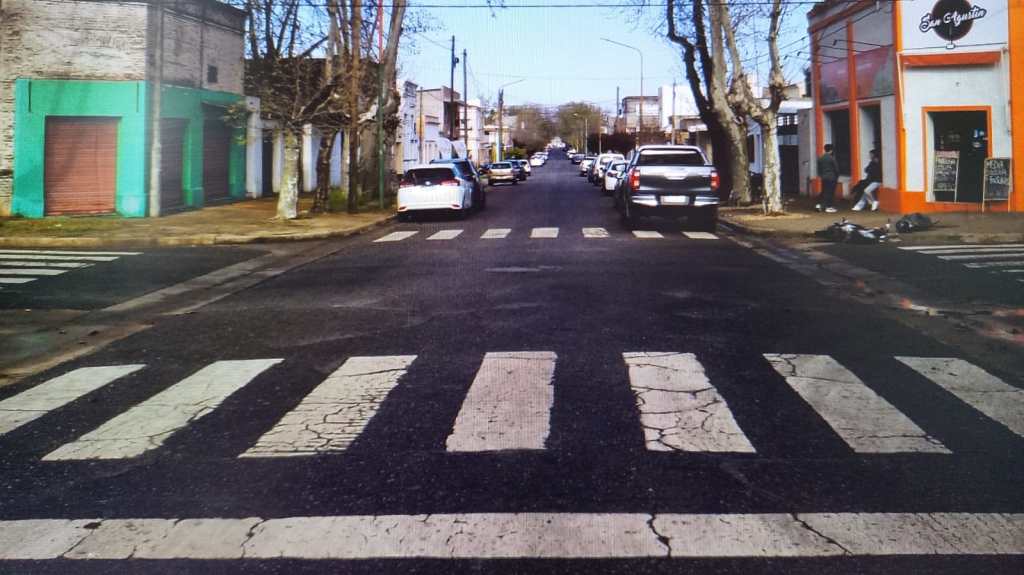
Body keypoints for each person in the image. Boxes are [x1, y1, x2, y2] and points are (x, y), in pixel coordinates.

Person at [816, 144, 839, 213]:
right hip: (832, 177)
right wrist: (836, 176)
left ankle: (819, 205)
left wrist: (821, 175)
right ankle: (828, 207)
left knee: (824, 191)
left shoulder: (821, 158)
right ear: (831, 150)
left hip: (824, 177)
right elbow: (836, 169)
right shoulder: (832, 158)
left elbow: (819, 169)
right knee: (830, 192)